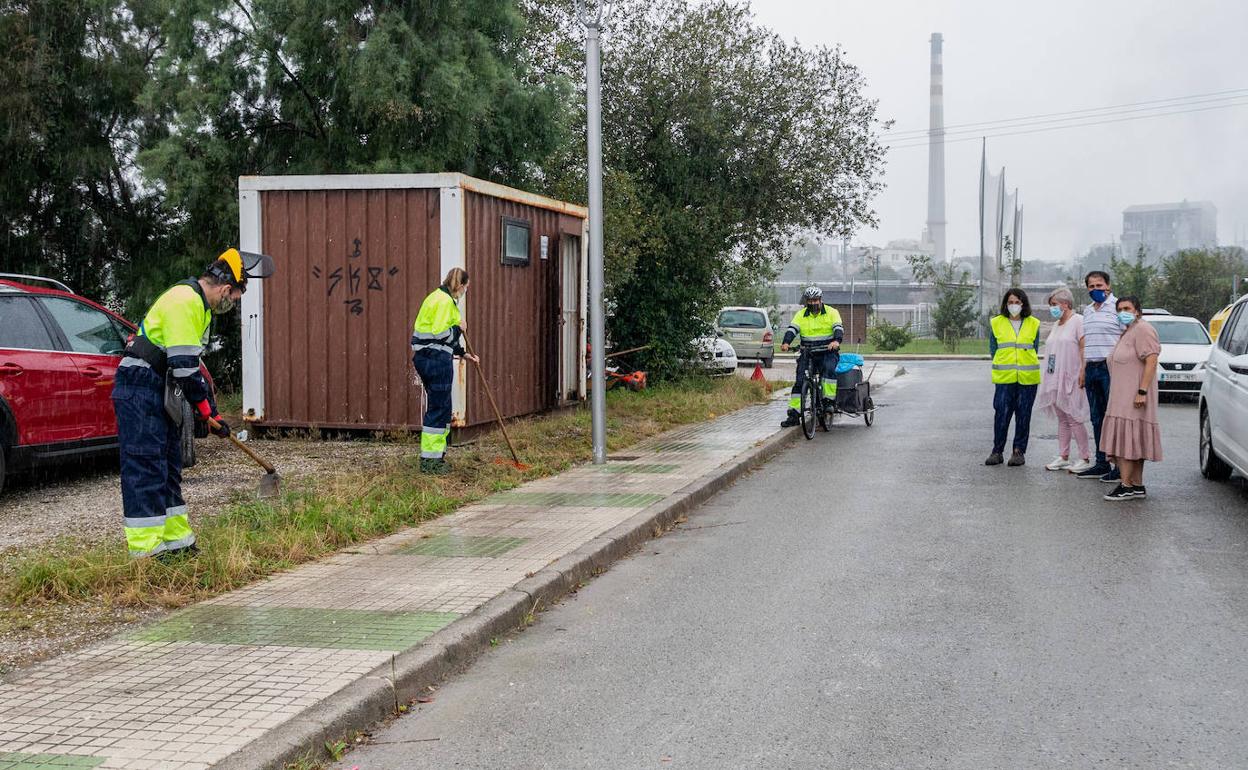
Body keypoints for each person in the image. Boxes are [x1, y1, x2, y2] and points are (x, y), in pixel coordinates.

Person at [113, 248, 273, 558]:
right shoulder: (185, 301)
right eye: (236, 297)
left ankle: (177, 543)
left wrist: (210, 413)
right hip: (140, 386)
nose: (233, 303)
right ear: (227, 289)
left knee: (168, 465)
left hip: (160, 387)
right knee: (146, 466)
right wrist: (203, 410)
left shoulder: (201, 307)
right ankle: (146, 552)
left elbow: (189, 370)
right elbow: (185, 367)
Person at [411, 268, 478, 474]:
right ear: (459, 285)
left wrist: (461, 352)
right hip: (435, 360)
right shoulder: (444, 302)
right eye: (466, 287)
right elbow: (440, 334)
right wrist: (460, 328)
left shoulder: (436, 297)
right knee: (439, 408)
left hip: (429, 357)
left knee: (442, 406)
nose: (465, 291)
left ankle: (437, 456)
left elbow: (437, 335)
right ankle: (430, 462)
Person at [1100, 296, 1162, 501]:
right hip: (1121, 396)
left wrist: (1142, 391)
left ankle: (1125, 484)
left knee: (1128, 441)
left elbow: (1151, 360)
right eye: (1119, 309)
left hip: (1134, 396)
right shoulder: (1129, 330)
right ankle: (1136, 484)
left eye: (1127, 308)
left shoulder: (1143, 329)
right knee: (1132, 441)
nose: (1122, 312)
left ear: (1138, 310)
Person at [1074, 270, 1126, 481]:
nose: (1096, 290)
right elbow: (1086, 343)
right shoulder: (1087, 311)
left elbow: (1126, 337)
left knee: (1114, 418)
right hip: (1092, 368)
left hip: (1111, 369)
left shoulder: (1118, 308)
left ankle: (1120, 466)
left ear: (1108, 286)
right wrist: (1083, 369)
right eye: (1092, 287)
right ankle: (1102, 462)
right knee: (1097, 418)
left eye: (1099, 286)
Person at [1035, 288, 1093, 473]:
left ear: (1066, 304)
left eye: (1054, 305)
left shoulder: (1078, 321)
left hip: (1072, 376)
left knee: (1074, 417)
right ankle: (1064, 456)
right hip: (1054, 377)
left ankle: (1085, 457)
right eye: (1050, 305)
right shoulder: (1057, 324)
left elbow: (1084, 348)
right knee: (1062, 418)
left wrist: (1083, 371)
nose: (1052, 308)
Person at [986, 289, 1041, 466]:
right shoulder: (996, 322)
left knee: (1024, 415)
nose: (1014, 306)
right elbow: (993, 349)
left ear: (1023, 304)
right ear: (1005, 304)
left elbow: (1035, 348)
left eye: (1017, 302)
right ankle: (997, 451)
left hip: (1028, 378)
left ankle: (1018, 452)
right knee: (1002, 414)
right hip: (1004, 377)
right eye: (1011, 302)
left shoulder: (1034, 323)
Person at [779, 286, 843, 428]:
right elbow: (792, 329)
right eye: (810, 300)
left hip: (827, 351)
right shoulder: (801, 314)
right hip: (808, 353)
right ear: (806, 301)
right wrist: (786, 342)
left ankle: (828, 402)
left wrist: (836, 341)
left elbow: (838, 328)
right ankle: (794, 415)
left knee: (828, 370)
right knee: (800, 381)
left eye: (815, 300)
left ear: (820, 300)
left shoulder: (832, 312)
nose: (813, 303)